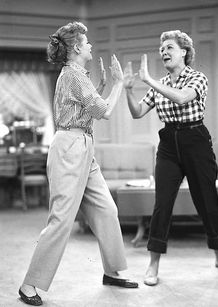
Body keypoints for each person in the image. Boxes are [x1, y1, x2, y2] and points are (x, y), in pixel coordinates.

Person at [18, 21, 138, 306]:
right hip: (70, 148)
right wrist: (119, 83)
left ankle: (112, 271)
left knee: (107, 209)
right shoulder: (73, 75)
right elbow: (105, 111)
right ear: (75, 48)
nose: (91, 45)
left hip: (83, 145)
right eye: (87, 42)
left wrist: (102, 86)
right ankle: (28, 285)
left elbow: (82, 107)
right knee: (61, 219)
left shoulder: (74, 76)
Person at [124, 30, 218, 286]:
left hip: (196, 141)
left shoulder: (197, 78)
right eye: (161, 48)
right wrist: (129, 91)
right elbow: (138, 112)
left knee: (207, 201)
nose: (164, 52)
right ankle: (152, 264)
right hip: (168, 145)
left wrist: (150, 81)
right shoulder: (160, 83)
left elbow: (183, 97)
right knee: (162, 203)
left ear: (184, 52)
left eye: (169, 47)